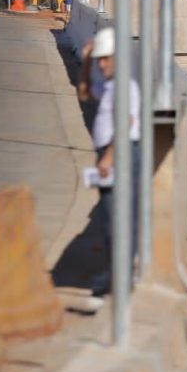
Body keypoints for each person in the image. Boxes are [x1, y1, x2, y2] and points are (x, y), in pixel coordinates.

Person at [77, 26, 141, 298]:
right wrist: (87, 60)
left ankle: (121, 279)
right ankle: (115, 274)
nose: (102, 64)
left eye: (106, 59)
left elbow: (126, 123)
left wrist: (109, 157)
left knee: (118, 218)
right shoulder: (112, 85)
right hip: (112, 153)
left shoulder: (125, 86)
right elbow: (85, 94)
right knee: (108, 218)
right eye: (100, 60)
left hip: (121, 155)